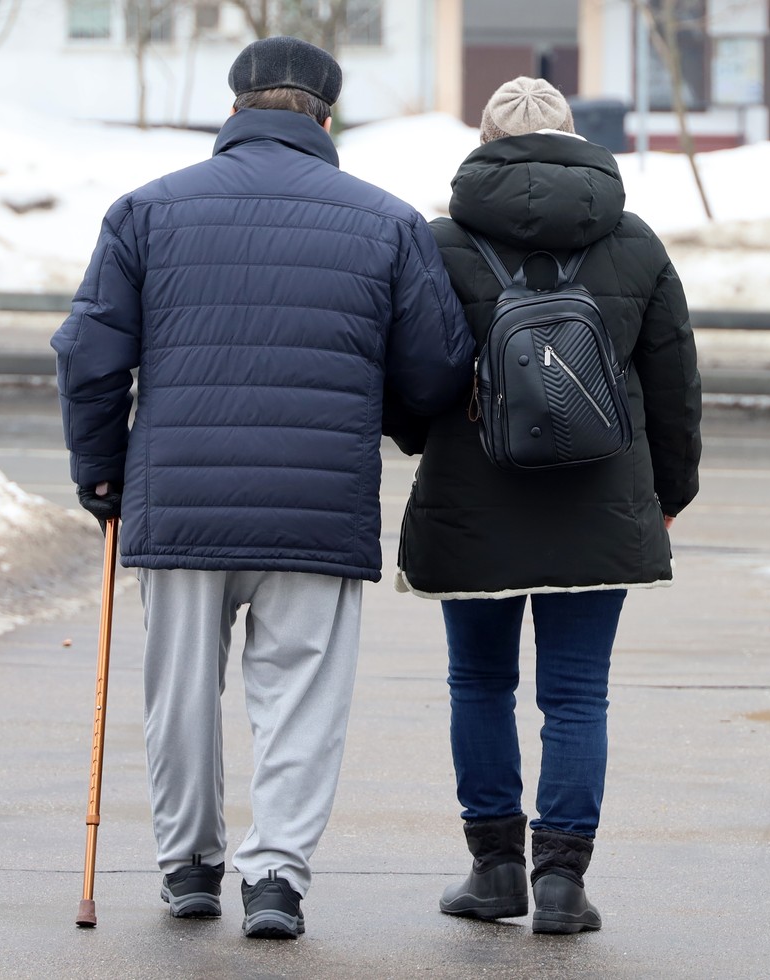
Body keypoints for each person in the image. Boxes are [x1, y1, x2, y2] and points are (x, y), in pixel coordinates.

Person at [51, 36, 472, 940]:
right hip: (317, 504)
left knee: (178, 696)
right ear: (327, 117)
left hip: (180, 502)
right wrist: (379, 415)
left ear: (235, 108)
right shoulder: (387, 221)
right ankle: (276, 877)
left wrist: (100, 470)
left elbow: (89, 355)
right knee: (301, 700)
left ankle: (188, 866)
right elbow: (438, 369)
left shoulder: (147, 211)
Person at [390, 76, 703, 935]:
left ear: (484, 143)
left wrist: (428, 442)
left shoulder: (438, 243)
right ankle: (562, 883)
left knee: (478, 683)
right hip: (599, 502)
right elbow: (674, 384)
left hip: (471, 500)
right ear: (575, 141)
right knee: (576, 694)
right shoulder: (634, 241)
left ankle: (495, 871)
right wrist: (668, 495)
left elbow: (411, 375)